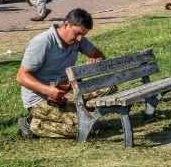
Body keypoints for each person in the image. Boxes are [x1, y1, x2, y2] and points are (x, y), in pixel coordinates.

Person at [16, 8, 113, 139]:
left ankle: (73, 111)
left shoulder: (78, 40)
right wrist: (48, 90)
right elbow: (21, 76)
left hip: (65, 92)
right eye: (77, 33)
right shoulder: (43, 42)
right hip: (40, 99)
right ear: (65, 25)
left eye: (83, 35)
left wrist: (96, 61)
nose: (80, 39)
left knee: (109, 87)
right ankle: (31, 123)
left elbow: (98, 55)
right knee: (81, 128)